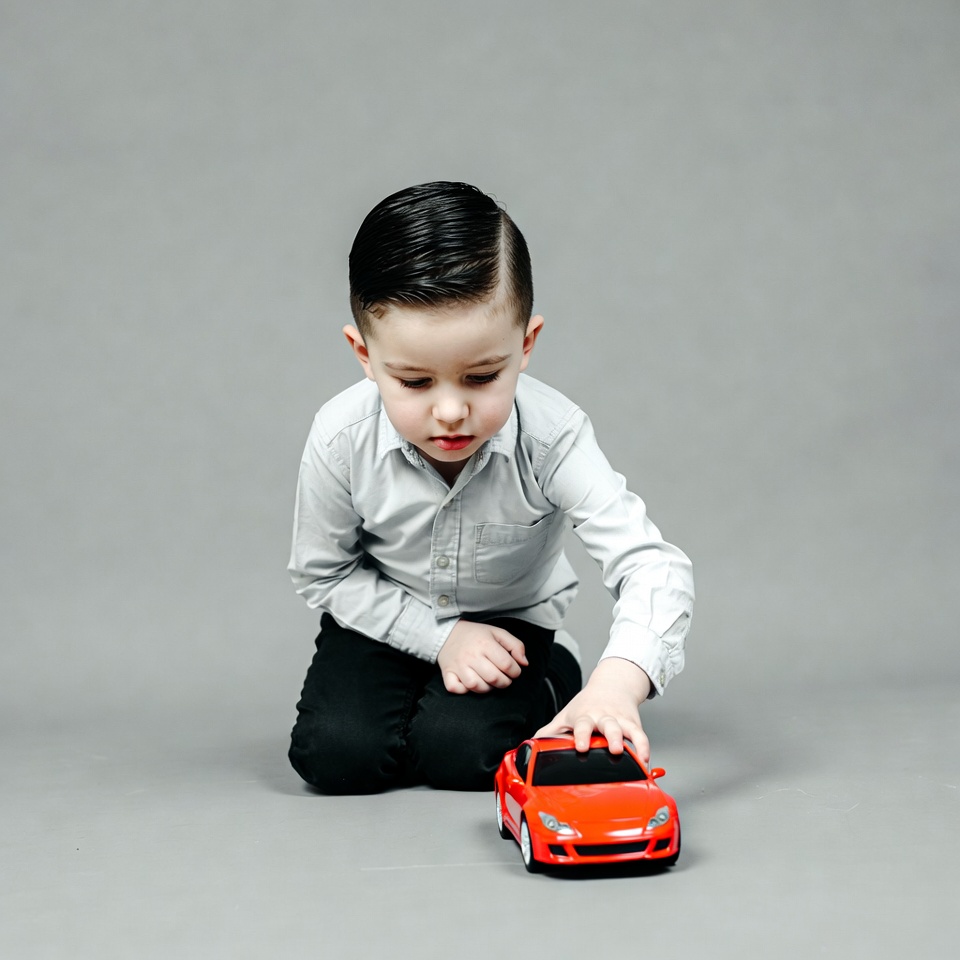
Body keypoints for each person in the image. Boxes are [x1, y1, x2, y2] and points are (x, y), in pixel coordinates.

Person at [287, 181, 694, 794]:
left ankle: (559, 671)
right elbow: (324, 573)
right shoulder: (340, 437)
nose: (450, 411)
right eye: (415, 382)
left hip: (510, 622)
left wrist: (617, 683)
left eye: (481, 377)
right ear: (364, 354)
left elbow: (653, 565)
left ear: (525, 345)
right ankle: (417, 693)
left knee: (463, 756)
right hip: (386, 610)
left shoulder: (553, 438)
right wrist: (440, 637)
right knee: (338, 757)